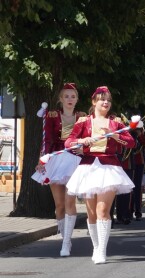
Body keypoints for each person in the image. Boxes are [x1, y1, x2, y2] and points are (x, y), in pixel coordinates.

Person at [65, 86, 136, 264]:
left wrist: (113, 137)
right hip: (88, 167)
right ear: (94, 101)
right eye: (102, 99)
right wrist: (81, 140)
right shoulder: (83, 121)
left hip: (109, 167)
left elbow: (131, 142)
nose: (106, 102)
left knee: (103, 210)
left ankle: (102, 250)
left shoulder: (116, 122)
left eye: (108, 100)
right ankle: (96, 246)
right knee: (91, 214)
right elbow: (68, 142)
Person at [32, 83, 86, 257]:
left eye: (73, 96)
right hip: (56, 160)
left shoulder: (83, 117)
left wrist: (84, 149)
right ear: (61, 99)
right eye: (67, 96)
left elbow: (88, 139)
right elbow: (46, 139)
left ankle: (66, 243)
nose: (70, 99)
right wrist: (42, 159)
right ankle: (65, 237)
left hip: (75, 161)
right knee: (60, 206)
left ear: (77, 99)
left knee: (70, 202)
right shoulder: (53, 116)